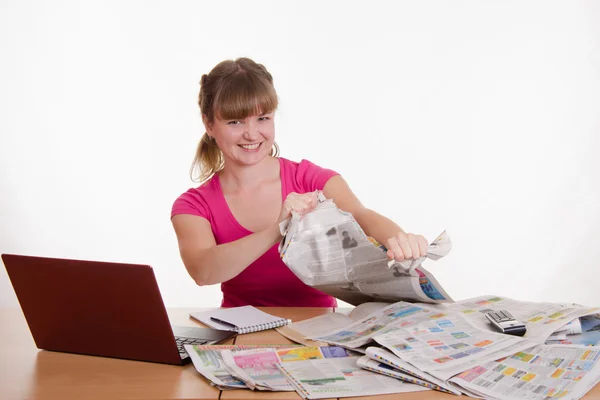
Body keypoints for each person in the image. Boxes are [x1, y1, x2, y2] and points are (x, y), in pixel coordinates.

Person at [171, 57, 429, 307]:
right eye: (235, 121)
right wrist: (280, 228)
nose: (251, 133)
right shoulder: (193, 205)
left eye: (263, 118)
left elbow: (361, 215)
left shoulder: (309, 178)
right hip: (240, 337)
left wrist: (401, 240)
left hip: (318, 332)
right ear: (209, 124)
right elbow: (203, 272)